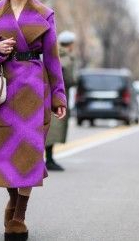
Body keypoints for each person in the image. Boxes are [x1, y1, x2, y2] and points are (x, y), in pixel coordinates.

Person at [0, 0, 66, 240]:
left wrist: (58, 95)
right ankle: (13, 200)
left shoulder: (44, 14)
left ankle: (19, 215)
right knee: (4, 151)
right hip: (4, 90)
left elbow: (53, 59)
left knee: (29, 152)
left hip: (33, 90)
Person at [45, 30, 77, 171]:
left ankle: (47, 159)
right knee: (52, 130)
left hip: (48, 96)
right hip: (57, 98)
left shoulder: (53, 53)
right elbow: (69, 80)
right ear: (70, 45)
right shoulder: (66, 59)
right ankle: (49, 160)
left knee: (49, 128)